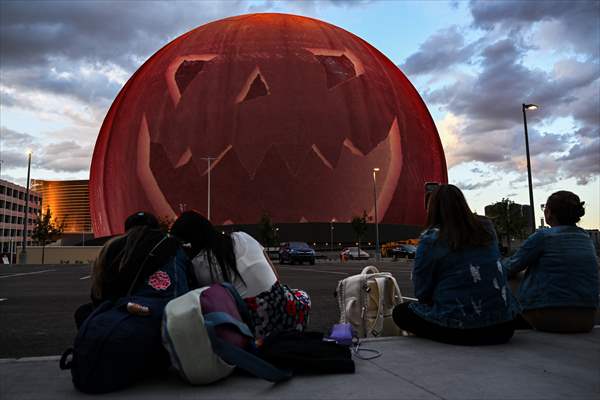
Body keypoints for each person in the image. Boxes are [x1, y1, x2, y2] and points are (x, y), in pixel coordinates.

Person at [393, 184, 520, 345]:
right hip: (504, 327)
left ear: (433, 209)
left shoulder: (431, 239)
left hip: (462, 329)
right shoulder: (486, 228)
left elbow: (422, 292)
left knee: (401, 312)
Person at [170, 211, 310, 341]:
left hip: (250, 322)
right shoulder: (241, 237)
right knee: (302, 295)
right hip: (283, 306)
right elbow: (275, 276)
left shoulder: (199, 263)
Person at [503, 191, 598, 333]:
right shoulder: (585, 238)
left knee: (509, 279)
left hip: (549, 316)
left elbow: (510, 267)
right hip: (587, 318)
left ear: (549, 213)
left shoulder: (543, 236)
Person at [75, 212, 177, 328]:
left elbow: (98, 291)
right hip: (158, 312)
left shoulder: (111, 247)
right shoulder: (169, 244)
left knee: (83, 312)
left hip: (116, 312)